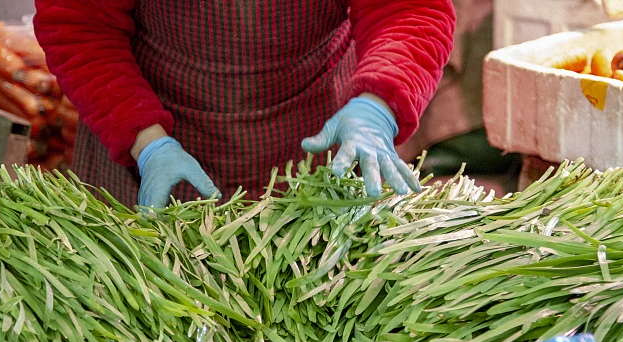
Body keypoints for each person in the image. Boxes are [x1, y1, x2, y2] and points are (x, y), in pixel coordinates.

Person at [33, 1, 456, 208]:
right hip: (145, 140)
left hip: (316, 140)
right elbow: (79, 25)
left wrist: (377, 105)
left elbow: (410, 9)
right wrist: (145, 143)